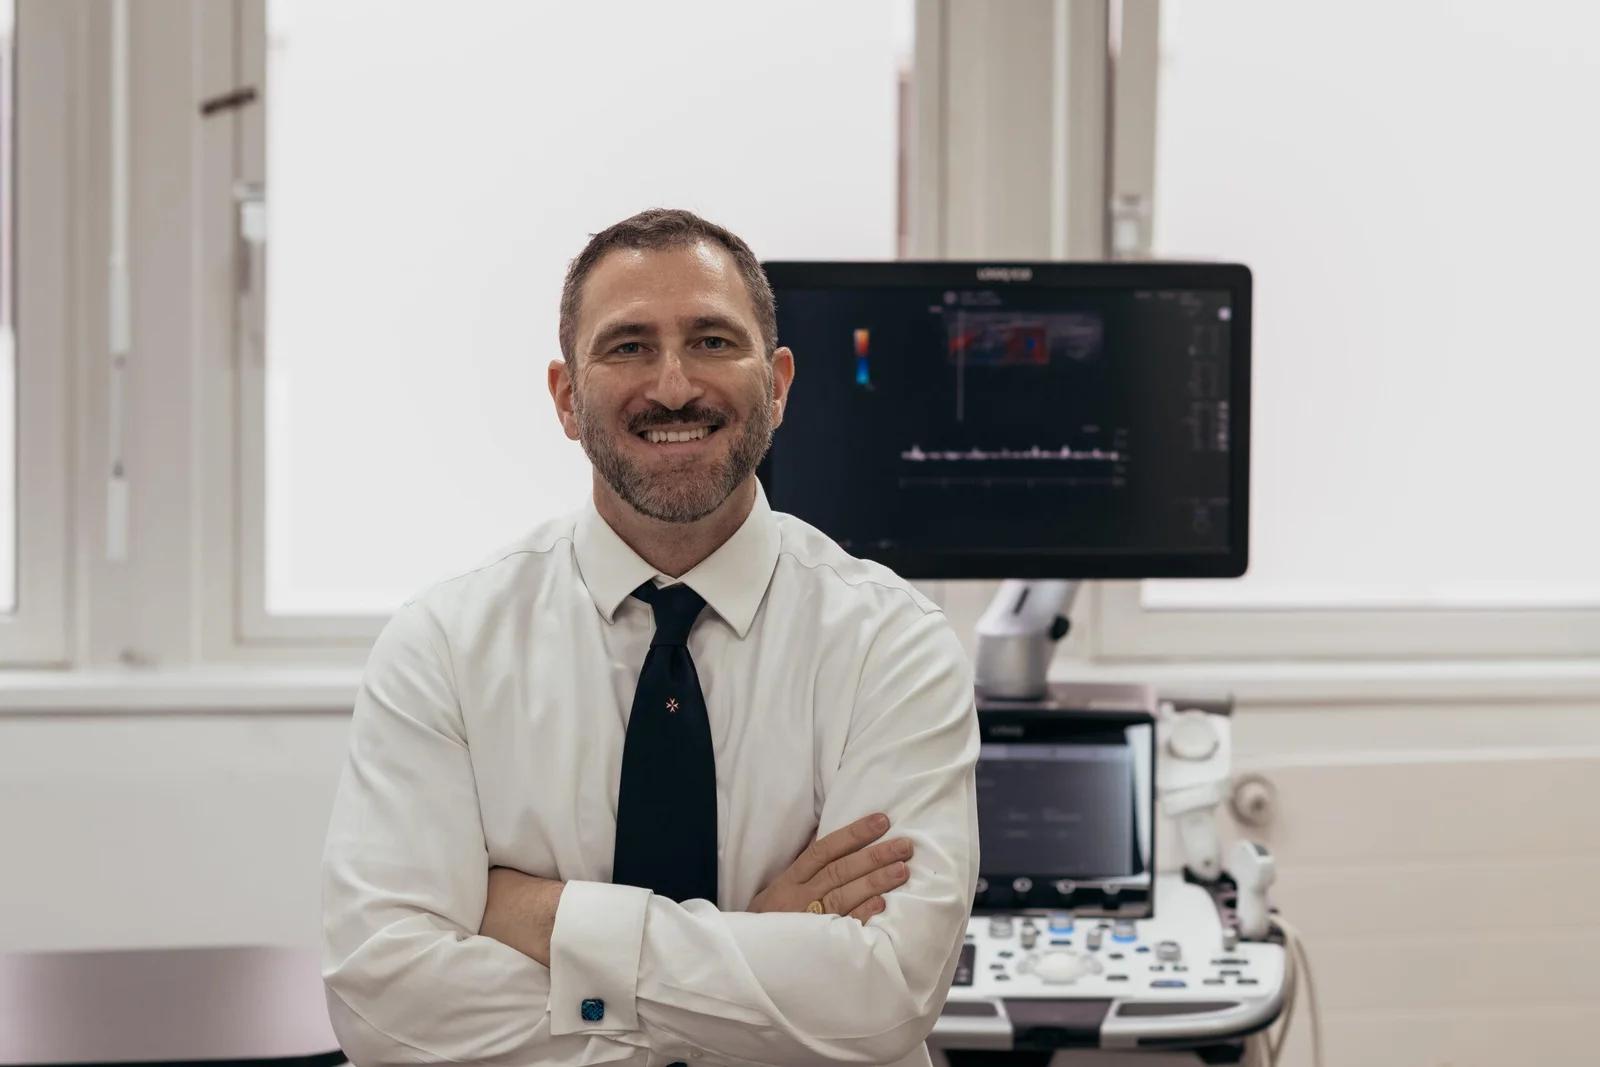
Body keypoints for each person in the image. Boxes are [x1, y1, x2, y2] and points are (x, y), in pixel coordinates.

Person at [321, 208, 980, 1067]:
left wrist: (546, 917)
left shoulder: (894, 645)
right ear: (566, 397)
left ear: (777, 385)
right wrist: (759, 952)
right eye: (627, 346)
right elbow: (385, 1000)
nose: (673, 386)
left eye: (712, 341)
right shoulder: (443, 645)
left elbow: (881, 997)